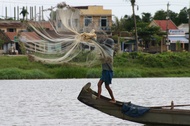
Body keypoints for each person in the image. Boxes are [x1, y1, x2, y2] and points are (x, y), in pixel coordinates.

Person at [97, 38, 116, 103]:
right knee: (99, 84)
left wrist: (92, 39)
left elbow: (100, 45)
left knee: (107, 86)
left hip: (108, 71)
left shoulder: (108, 49)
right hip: (105, 71)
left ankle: (113, 99)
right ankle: (98, 97)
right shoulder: (108, 50)